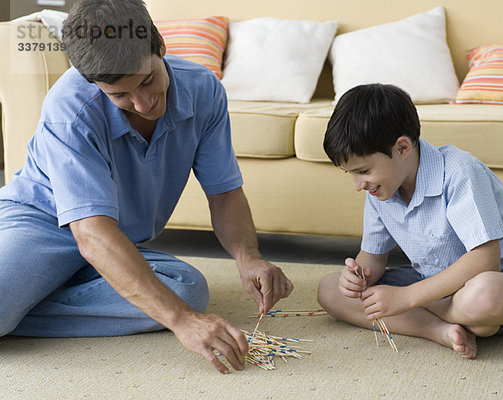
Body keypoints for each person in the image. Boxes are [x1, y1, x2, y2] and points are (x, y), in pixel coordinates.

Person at [0, 0, 293, 374]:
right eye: (120, 96)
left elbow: (224, 192)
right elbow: (92, 234)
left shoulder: (205, 91)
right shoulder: (70, 108)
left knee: (186, 290)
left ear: (159, 43)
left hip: (113, 239)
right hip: (41, 221)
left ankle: (23, 303)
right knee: (176, 309)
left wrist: (248, 257)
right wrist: (182, 322)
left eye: (148, 80)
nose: (144, 103)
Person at [317, 84, 503, 359]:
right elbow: (373, 260)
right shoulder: (380, 189)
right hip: (429, 281)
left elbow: (485, 261)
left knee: (486, 298)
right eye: (350, 174)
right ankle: (439, 330)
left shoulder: (460, 172)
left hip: (498, 284)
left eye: (363, 171)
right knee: (329, 290)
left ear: (402, 147)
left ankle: (439, 312)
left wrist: (406, 298)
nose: (357, 184)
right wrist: (358, 278)